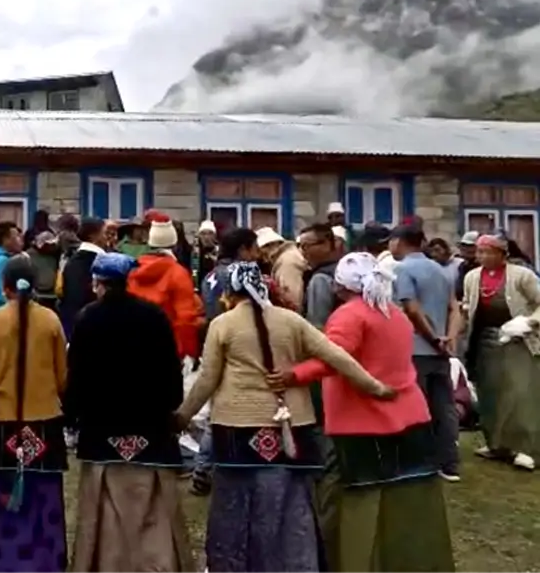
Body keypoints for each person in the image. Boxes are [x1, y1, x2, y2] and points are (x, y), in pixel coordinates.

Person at [175, 261, 391, 573]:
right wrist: (375, 387)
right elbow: (335, 356)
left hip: (237, 425)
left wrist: (183, 416)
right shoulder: (292, 321)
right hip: (291, 425)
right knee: (291, 503)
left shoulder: (222, 324)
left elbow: (207, 379)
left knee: (236, 505)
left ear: (231, 291)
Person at [268, 252, 454, 573]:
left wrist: (293, 375)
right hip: (410, 414)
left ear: (341, 287)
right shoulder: (393, 313)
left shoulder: (349, 316)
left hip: (361, 420)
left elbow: (333, 359)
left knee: (354, 498)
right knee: (404, 498)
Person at [65, 253, 194, 573]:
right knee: (155, 511)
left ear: (97, 283)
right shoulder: (155, 317)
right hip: (151, 425)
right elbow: (170, 371)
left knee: (105, 512)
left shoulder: (87, 319)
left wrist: (73, 416)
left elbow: (77, 374)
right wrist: (170, 407)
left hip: (101, 426)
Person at [0, 256, 68, 573]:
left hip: (2, 423)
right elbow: (62, 378)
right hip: (45, 422)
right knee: (44, 496)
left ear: (5, 286)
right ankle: (46, 559)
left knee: (1, 495)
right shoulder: (51, 321)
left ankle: (1, 559)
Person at [391, 224, 463, 481]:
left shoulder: (403, 270)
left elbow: (411, 309)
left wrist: (433, 339)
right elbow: (455, 309)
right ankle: (448, 462)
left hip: (416, 349)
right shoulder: (442, 270)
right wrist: (449, 338)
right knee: (444, 406)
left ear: (399, 242)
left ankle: (418, 460)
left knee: (415, 406)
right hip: (441, 350)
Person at [463, 233, 540, 471]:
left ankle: (527, 448)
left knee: (520, 394)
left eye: (488, 252)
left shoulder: (522, 276)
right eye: (479, 252)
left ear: (502, 254)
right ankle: (496, 444)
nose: (483, 256)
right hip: (486, 342)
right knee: (491, 395)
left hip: (518, 341)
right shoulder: (472, 277)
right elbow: (468, 303)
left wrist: (529, 323)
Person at [128, 215, 203, 360]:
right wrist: (187, 354)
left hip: (134, 348)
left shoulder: (133, 271)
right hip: (167, 352)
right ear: (174, 244)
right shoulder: (178, 273)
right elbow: (185, 319)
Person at [57, 217, 107, 338]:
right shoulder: (100, 262)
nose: (107, 237)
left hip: (71, 327)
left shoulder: (71, 261)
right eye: (104, 233)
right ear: (93, 236)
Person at [299, 223, 343, 329]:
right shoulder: (342, 269)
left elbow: (317, 325)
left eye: (306, 246)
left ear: (326, 245)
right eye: (299, 246)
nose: (302, 251)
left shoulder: (321, 279)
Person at [27, 231, 62, 310]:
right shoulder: (29, 255)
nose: (50, 247)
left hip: (53, 296)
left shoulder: (54, 256)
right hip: (37, 296)